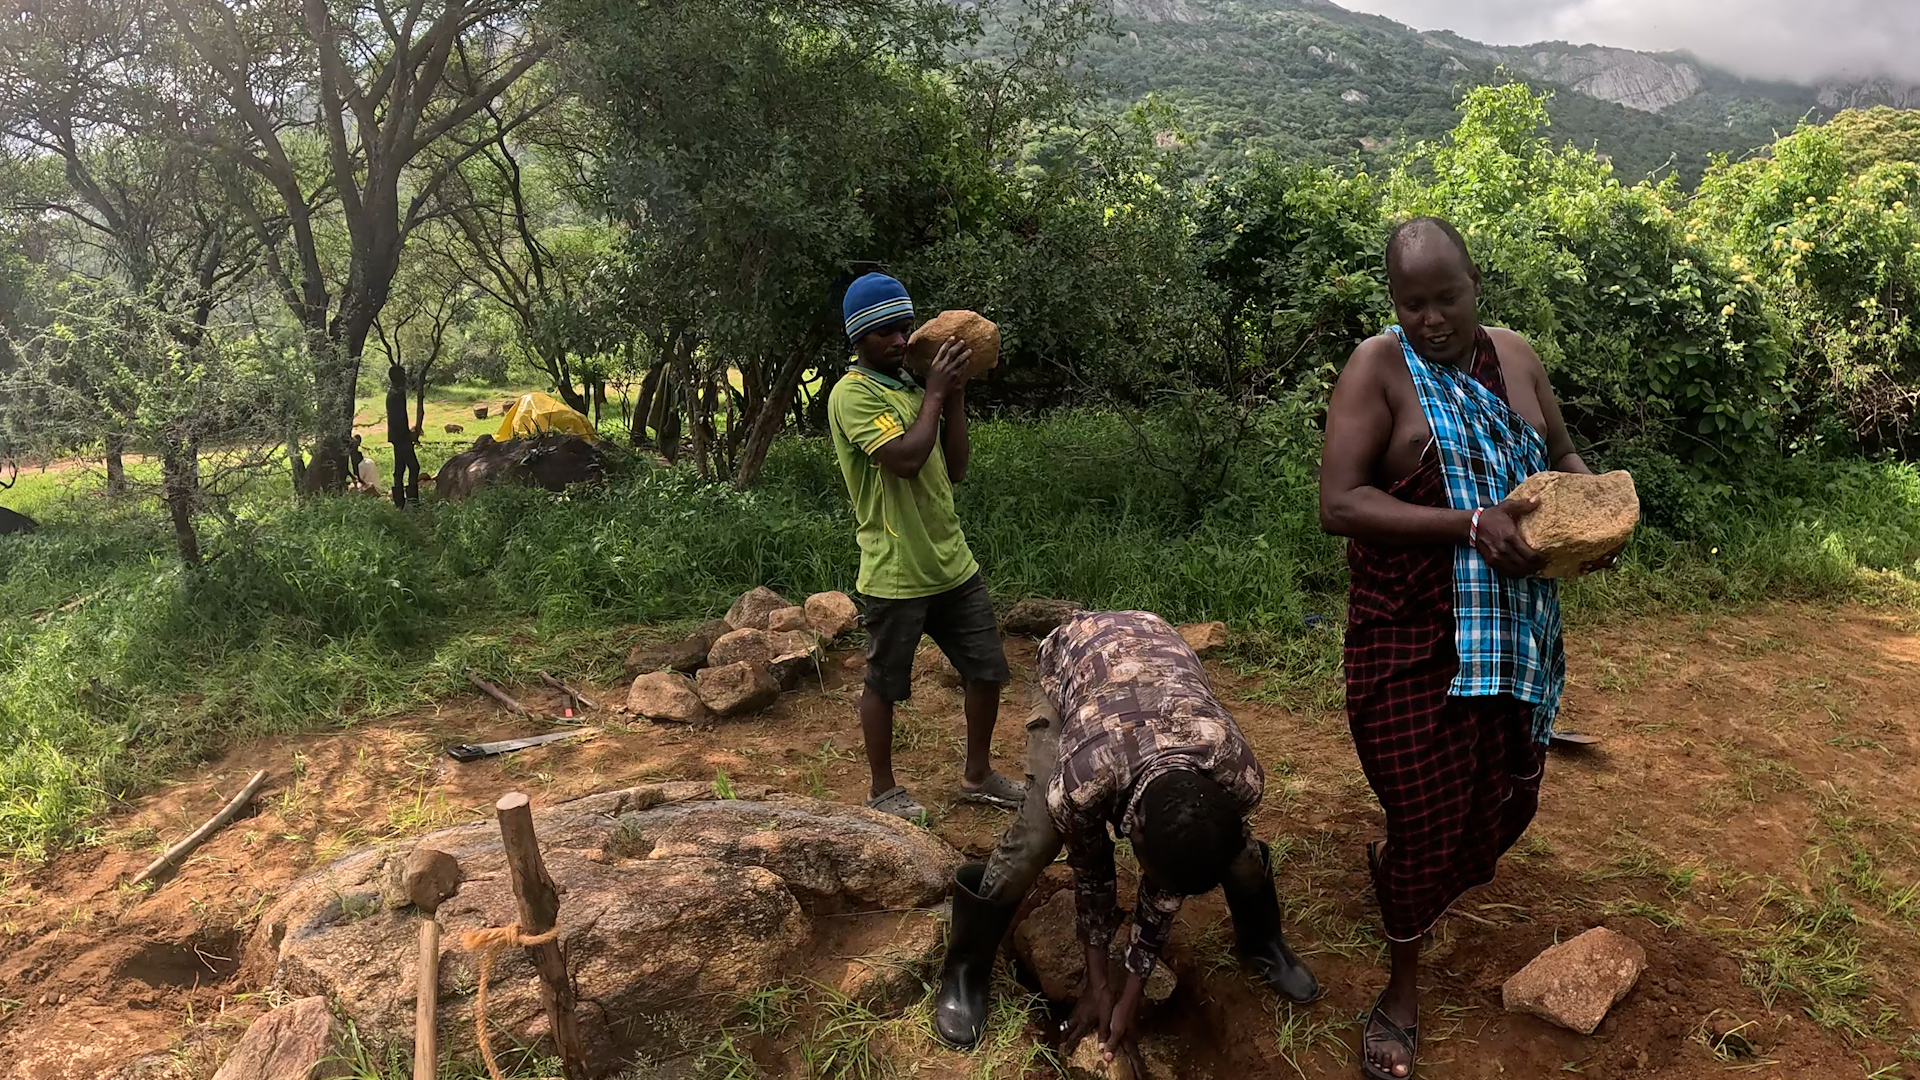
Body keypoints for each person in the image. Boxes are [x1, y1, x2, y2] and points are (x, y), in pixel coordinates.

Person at [1318, 217, 1620, 1080]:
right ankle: (1402, 990)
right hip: (1411, 639)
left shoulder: (1516, 358)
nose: (1431, 319)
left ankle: (1408, 874)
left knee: (1505, 804)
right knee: (1424, 819)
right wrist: (1469, 523)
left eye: (1446, 298)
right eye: (1411, 303)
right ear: (1394, 303)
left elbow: (1561, 453)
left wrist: (1597, 514)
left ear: (1475, 284)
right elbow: (1340, 502)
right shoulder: (1377, 369)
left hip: (1515, 633)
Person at [930, 610, 1319, 1065]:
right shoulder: (1084, 783)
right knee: (1039, 837)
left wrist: (1129, 996)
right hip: (1075, 659)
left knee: (1239, 855)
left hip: (1156, 654)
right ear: (1135, 827)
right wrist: (1099, 987)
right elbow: (1093, 873)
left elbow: (1166, 887)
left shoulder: (1239, 775)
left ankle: (1262, 941)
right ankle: (965, 968)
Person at [826, 272, 1023, 820]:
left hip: (952, 562)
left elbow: (955, 468)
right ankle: (883, 790)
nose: (899, 340)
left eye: (905, 328)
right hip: (897, 571)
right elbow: (907, 460)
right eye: (884, 331)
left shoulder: (915, 390)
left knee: (986, 670)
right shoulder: (852, 394)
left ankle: (978, 775)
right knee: (884, 684)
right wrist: (936, 393)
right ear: (858, 338)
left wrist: (952, 397)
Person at [386, 364, 420, 508]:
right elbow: (398, 419)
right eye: (403, 375)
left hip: (397, 436)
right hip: (401, 437)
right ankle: (412, 500)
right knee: (413, 467)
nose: (405, 378)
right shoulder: (396, 395)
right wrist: (409, 434)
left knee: (400, 469)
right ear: (398, 378)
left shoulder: (393, 393)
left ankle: (400, 502)